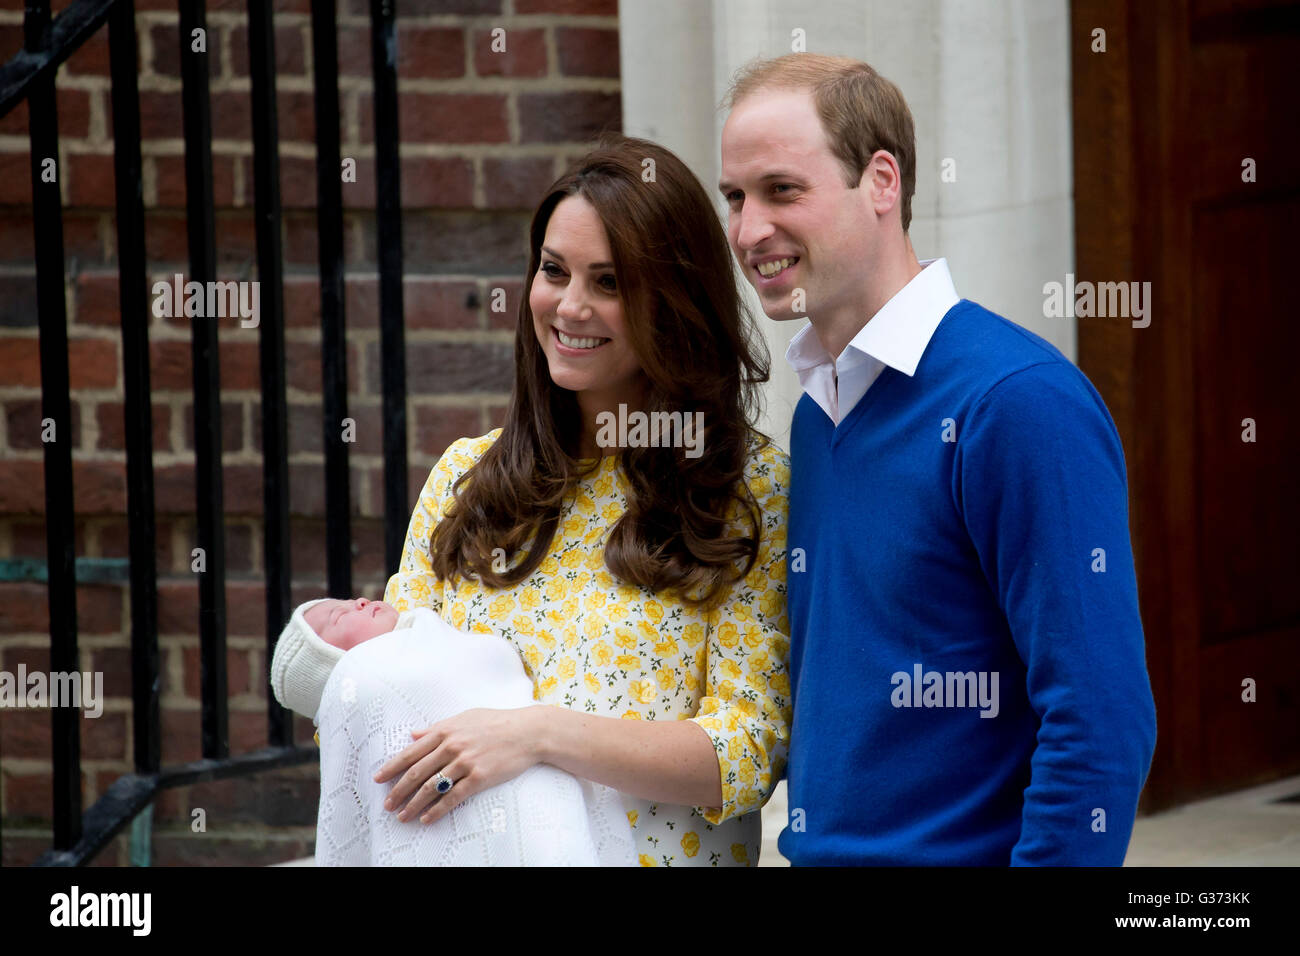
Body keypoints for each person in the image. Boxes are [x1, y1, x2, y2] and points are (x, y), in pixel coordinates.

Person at [717, 53, 1157, 865]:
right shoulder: (822, 413)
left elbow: (1102, 720)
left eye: (782, 190)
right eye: (735, 198)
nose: (749, 231)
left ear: (881, 181)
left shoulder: (1018, 403)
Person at [322, 134, 792, 867]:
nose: (570, 306)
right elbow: (375, 697)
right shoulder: (465, 478)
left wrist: (537, 733)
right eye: (554, 271)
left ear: (673, 303)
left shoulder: (745, 488)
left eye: (609, 282)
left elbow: (746, 753)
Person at [269, 597, 636, 865]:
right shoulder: (372, 683)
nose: (359, 601)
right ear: (333, 670)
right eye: (339, 615)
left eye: (347, 599)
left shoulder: (433, 636)